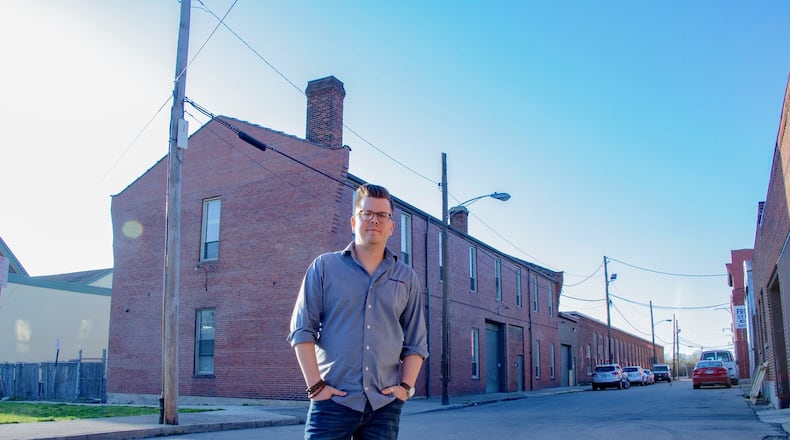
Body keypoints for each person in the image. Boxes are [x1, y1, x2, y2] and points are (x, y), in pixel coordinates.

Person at [288, 183, 429, 440]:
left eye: (382, 215)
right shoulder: (324, 267)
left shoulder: (406, 277)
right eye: (366, 213)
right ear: (354, 221)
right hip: (333, 403)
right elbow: (301, 330)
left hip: (384, 406)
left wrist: (405, 388)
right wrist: (315, 387)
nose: (374, 220)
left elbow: (416, 341)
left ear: (391, 227)